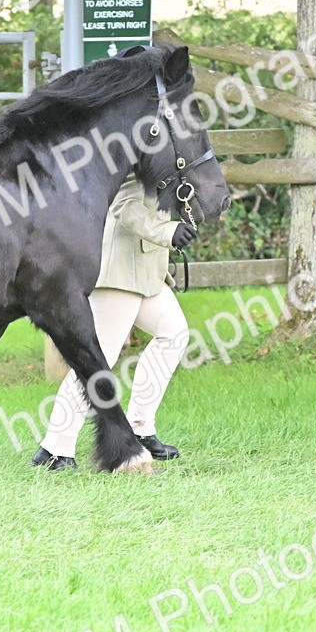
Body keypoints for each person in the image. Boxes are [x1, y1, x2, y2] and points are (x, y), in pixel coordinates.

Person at [32, 173, 198, 470]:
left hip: (147, 271)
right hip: (119, 271)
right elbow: (125, 205)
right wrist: (168, 231)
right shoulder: (140, 148)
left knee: (174, 334)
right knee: (96, 359)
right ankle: (54, 448)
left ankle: (140, 428)